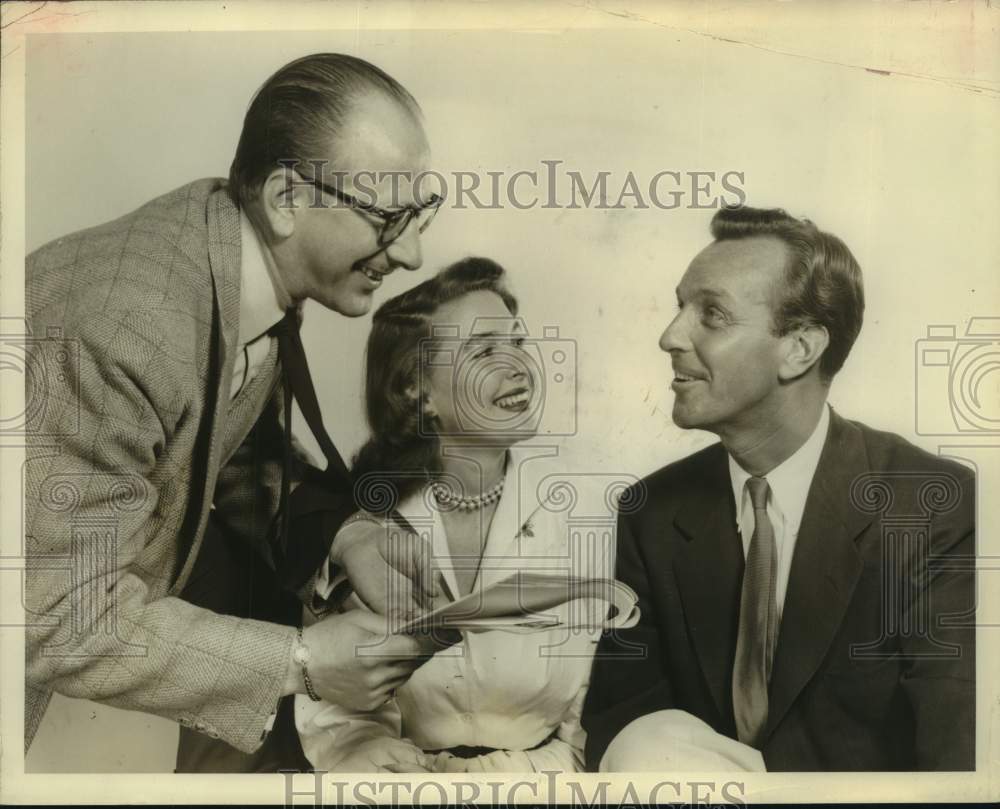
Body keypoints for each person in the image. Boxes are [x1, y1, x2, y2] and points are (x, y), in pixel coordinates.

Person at [25, 53, 446, 773]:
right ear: (286, 195)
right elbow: (61, 616)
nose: (411, 251)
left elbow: (210, 446)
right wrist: (303, 658)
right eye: (387, 216)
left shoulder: (235, 264)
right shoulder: (124, 324)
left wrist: (347, 537)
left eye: (421, 210)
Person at [582, 206, 976, 771]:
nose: (669, 336)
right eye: (679, 307)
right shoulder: (650, 511)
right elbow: (620, 730)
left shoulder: (935, 506)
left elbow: (957, 761)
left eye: (712, 314)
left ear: (800, 348)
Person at [295, 257, 615, 773]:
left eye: (517, 343)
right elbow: (335, 695)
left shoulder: (586, 518)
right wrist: (362, 750)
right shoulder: (360, 528)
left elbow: (594, 714)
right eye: (484, 351)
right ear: (414, 391)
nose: (518, 366)